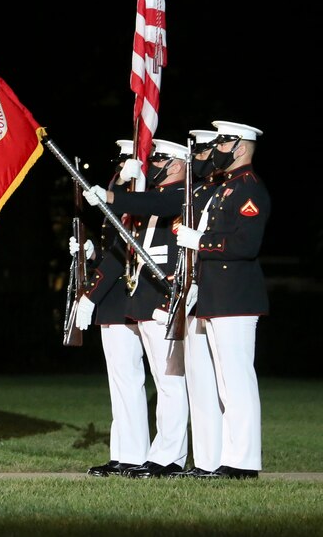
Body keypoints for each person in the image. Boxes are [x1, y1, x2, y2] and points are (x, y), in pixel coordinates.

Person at [84, 138, 191, 478]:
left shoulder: (181, 195)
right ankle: (130, 453)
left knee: (169, 381)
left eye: (156, 159)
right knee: (126, 381)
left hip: (161, 297)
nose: (151, 164)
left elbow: (155, 203)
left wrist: (116, 193)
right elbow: (121, 245)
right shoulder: (147, 198)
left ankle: (169, 457)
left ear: (175, 164)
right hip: (137, 297)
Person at [174, 121, 269, 479]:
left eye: (224, 143)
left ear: (241, 147)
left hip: (236, 297)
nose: (217, 150)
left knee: (236, 382)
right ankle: (220, 461)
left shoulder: (249, 189)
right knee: (222, 384)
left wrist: (200, 242)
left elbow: (245, 245)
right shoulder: (225, 188)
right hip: (216, 295)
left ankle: (242, 463)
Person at [71, 139, 148, 477]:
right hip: (115, 296)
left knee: (128, 379)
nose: (118, 166)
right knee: (119, 381)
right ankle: (124, 453)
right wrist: (90, 254)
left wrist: (92, 294)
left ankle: (136, 455)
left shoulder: (136, 191)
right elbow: (109, 247)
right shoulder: (123, 185)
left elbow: (123, 252)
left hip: (123, 295)